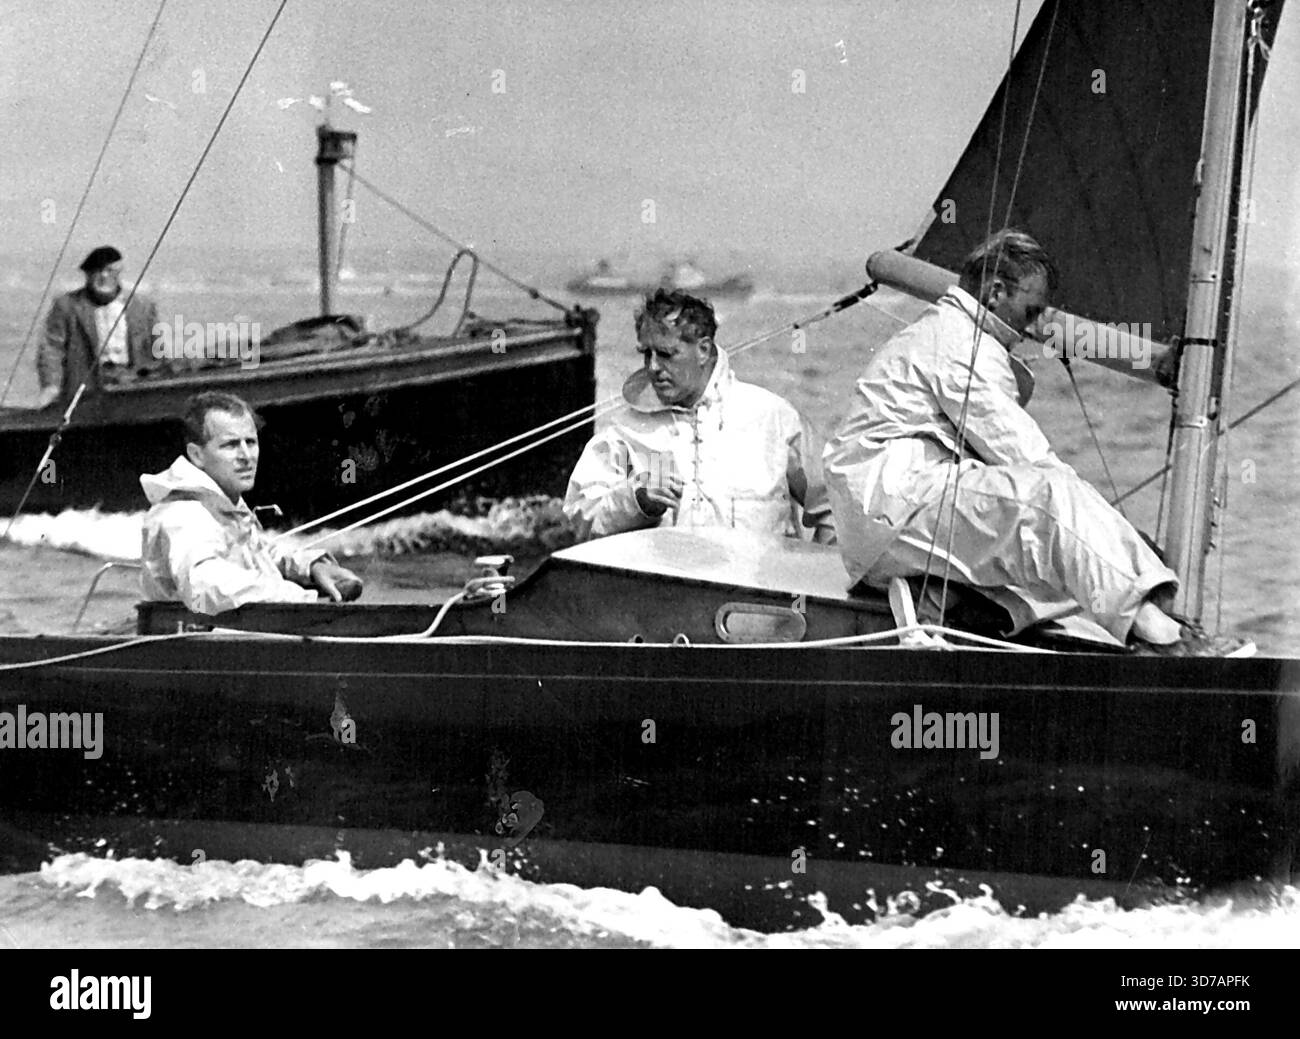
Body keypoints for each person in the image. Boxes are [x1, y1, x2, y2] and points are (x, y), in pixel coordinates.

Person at [823, 228, 1231, 653]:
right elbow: (1026, 457)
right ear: (996, 291)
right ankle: (1163, 637)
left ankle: (949, 599)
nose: (1036, 327)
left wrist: (1112, 540)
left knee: (1069, 555)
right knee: (1054, 500)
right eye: (1031, 310)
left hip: (882, 526)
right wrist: (1116, 533)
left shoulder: (946, 332)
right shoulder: (961, 342)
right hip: (898, 509)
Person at [563, 288, 835, 544]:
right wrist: (635, 501)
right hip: (663, 591)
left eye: (667, 354)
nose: (653, 367)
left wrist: (812, 580)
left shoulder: (774, 418)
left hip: (759, 590)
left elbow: (836, 509)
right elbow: (577, 523)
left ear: (703, 350)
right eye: (647, 353)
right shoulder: (624, 431)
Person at [140, 391, 363, 616]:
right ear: (197, 455)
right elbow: (206, 586)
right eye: (230, 445)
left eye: (251, 442)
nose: (246, 456)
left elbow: (259, 554)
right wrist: (299, 598)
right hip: (193, 643)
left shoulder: (222, 503)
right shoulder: (184, 514)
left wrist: (312, 567)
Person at [36, 246, 161, 408]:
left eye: (109, 271)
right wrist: (51, 386)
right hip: (87, 392)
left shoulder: (142, 306)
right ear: (87, 275)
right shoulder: (67, 305)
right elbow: (51, 348)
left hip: (133, 388)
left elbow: (157, 348)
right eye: (97, 271)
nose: (103, 276)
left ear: (118, 273)